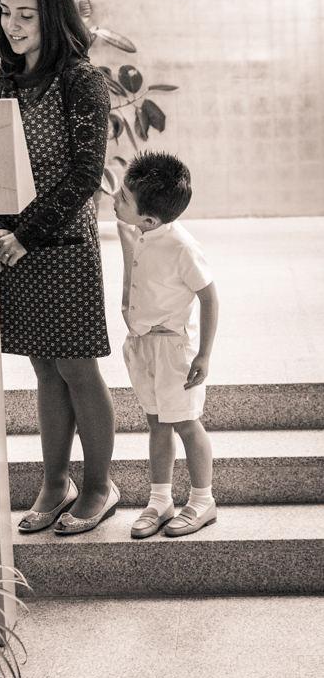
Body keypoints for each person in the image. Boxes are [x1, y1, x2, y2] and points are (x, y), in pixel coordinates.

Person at [0, 0, 118, 536]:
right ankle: (54, 481)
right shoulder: (10, 76)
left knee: (76, 368)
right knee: (43, 371)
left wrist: (26, 233)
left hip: (60, 239)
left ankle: (99, 485)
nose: (12, 25)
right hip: (16, 243)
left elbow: (86, 173)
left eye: (26, 14)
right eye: (5, 12)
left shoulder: (80, 77)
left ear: (54, 15)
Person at [114, 151, 219, 537]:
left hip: (175, 350)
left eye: (123, 197)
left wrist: (204, 355)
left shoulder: (182, 246)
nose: (114, 197)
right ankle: (160, 500)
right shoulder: (139, 231)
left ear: (149, 218)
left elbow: (209, 298)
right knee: (157, 422)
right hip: (143, 345)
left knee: (187, 424)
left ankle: (202, 500)